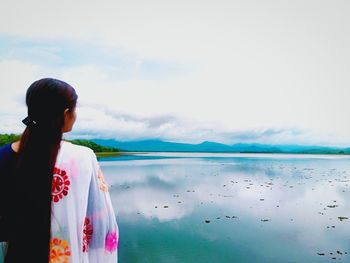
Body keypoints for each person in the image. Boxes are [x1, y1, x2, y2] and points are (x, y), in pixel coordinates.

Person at [0, 78, 119, 262]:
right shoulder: (83, 157)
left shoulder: (4, 156)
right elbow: (99, 220)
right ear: (65, 113)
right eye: (74, 109)